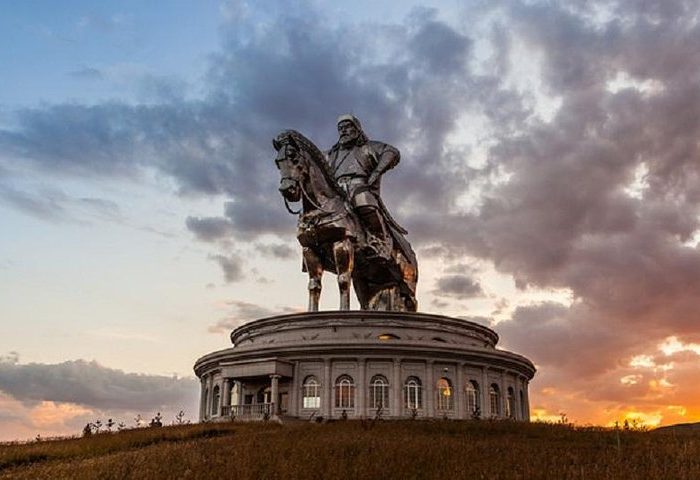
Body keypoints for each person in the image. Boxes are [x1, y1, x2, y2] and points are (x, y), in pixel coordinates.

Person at [326, 114, 400, 260]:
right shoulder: (333, 153)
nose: (343, 131)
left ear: (357, 129)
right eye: (340, 128)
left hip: (359, 186)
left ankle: (379, 241)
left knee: (363, 200)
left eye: (347, 127)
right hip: (337, 191)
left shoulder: (369, 147)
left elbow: (392, 152)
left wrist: (377, 171)